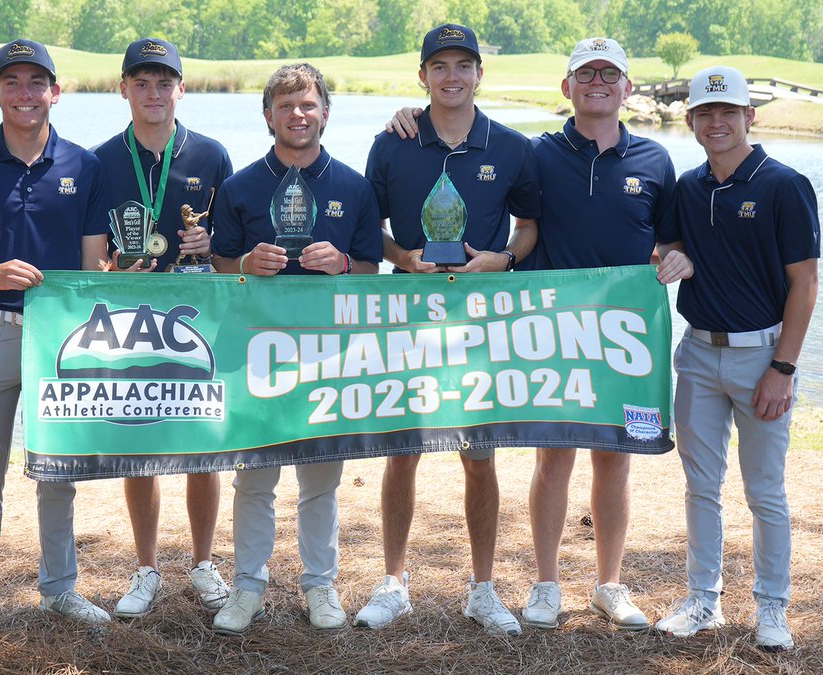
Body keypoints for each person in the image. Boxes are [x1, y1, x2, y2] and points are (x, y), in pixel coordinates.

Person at [382, 36, 694, 633]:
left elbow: (671, 239)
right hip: (552, 329)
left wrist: (677, 260)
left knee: (616, 460)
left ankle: (609, 584)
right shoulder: (537, 153)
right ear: (566, 87)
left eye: (609, 75)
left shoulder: (655, 161)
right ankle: (546, 585)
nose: (597, 83)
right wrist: (409, 116)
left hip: (622, 332)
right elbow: (513, 212)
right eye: (585, 74)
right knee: (554, 458)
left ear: (627, 87)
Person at [355, 23, 540, 636]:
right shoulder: (393, 142)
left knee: (478, 456)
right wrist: (402, 258)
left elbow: (531, 229)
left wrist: (503, 260)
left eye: (464, 65)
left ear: (479, 74)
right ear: (423, 76)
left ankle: (483, 588)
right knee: (402, 452)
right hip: (407, 317)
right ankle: (394, 582)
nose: (452, 76)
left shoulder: (512, 147)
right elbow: (366, 230)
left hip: (479, 321)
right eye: (440, 66)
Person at [0, 39, 112, 638]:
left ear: (55, 93)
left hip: (59, 338)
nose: (26, 93)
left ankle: (59, 589)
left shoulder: (85, 167)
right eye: (13, 82)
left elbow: (92, 266)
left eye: (38, 82)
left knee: (56, 471)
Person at [208, 62, 382, 635]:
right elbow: (219, 266)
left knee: (320, 478)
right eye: (286, 107)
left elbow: (369, 268)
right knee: (254, 475)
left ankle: (320, 585)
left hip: (327, 352)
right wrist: (242, 266)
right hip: (256, 348)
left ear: (325, 113)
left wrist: (345, 265)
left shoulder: (355, 187)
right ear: (268, 116)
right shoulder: (239, 187)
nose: (298, 115)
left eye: (308, 105)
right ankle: (248, 585)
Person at [655, 66, 819, 652]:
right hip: (697, 353)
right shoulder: (687, 187)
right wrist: (674, 259)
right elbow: (670, 244)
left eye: (728, 112)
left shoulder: (784, 184)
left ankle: (772, 607)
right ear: (692, 120)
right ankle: (703, 600)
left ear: (750, 116)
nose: (716, 122)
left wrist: (783, 367)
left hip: (761, 359)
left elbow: (804, 283)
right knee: (701, 486)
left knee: (764, 491)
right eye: (705, 113)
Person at [91, 37, 233, 618]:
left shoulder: (212, 156)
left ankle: (202, 562)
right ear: (123, 88)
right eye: (141, 82)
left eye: (164, 82)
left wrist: (211, 242)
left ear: (182, 86)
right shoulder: (97, 160)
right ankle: (146, 567)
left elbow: (234, 250)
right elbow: (90, 253)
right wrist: (108, 266)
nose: (154, 93)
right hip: (130, 322)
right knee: (141, 442)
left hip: (197, 318)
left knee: (202, 447)